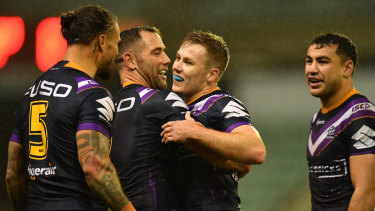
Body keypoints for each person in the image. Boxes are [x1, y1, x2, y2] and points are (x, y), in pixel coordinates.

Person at [5, 5, 134, 211]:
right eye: (116, 44)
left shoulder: (31, 92)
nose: (118, 53)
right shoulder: (92, 94)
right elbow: (95, 167)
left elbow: (13, 174)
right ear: (101, 42)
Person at [161, 31, 266, 210]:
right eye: (178, 58)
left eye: (188, 62)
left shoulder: (222, 103)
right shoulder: (175, 106)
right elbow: (242, 166)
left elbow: (256, 151)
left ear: (211, 75)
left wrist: (193, 132)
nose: (177, 67)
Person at [110, 26, 188, 210]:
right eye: (157, 52)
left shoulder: (104, 108)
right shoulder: (163, 101)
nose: (167, 60)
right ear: (130, 60)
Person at [304, 33, 375, 210]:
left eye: (323, 61)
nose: (312, 69)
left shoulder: (360, 114)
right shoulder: (317, 118)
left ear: (347, 68)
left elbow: (367, 192)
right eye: (309, 61)